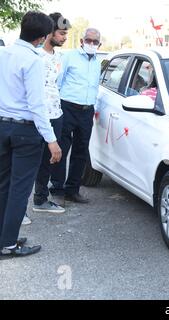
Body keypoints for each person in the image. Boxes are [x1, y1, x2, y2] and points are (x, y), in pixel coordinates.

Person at [0, 11, 62, 258]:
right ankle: (8, 244)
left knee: (3, 185)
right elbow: (37, 105)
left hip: (3, 126)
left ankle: (4, 236)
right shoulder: (34, 60)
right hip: (26, 130)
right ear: (42, 37)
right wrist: (52, 141)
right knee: (19, 189)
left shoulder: (3, 53)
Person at [50, 28, 102, 205]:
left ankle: (72, 189)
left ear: (99, 44)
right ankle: (57, 189)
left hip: (87, 111)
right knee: (61, 149)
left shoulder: (97, 61)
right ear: (82, 41)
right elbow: (58, 81)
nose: (91, 44)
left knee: (81, 151)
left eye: (95, 42)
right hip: (68, 107)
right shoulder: (69, 57)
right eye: (89, 40)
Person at [31, 12, 71, 215]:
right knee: (28, 162)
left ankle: (40, 199)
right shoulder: (35, 56)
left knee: (50, 159)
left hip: (56, 114)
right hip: (37, 116)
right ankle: (17, 211)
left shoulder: (59, 57)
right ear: (49, 33)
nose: (64, 37)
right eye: (61, 33)